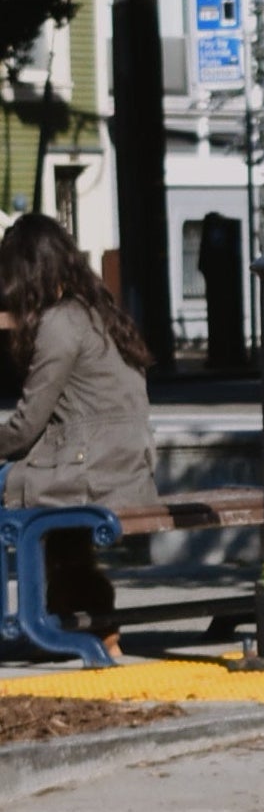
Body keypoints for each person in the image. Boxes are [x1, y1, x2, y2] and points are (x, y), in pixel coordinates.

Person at [0, 213, 157, 655]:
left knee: (10, 487)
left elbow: (26, 425)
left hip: (94, 472)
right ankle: (86, 621)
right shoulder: (97, 312)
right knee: (53, 525)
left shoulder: (59, 325)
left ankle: (69, 620)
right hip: (125, 468)